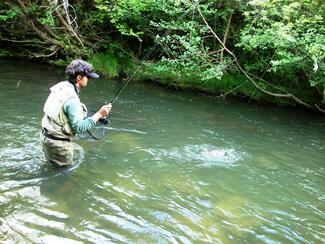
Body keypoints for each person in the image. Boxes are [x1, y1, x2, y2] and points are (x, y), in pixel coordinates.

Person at [41, 59, 112, 167]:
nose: (89, 80)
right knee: (64, 176)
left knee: (51, 167)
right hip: (58, 145)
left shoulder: (62, 86)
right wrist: (99, 114)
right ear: (79, 77)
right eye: (88, 77)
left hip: (45, 138)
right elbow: (78, 128)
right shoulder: (72, 100)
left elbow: (63, 113)